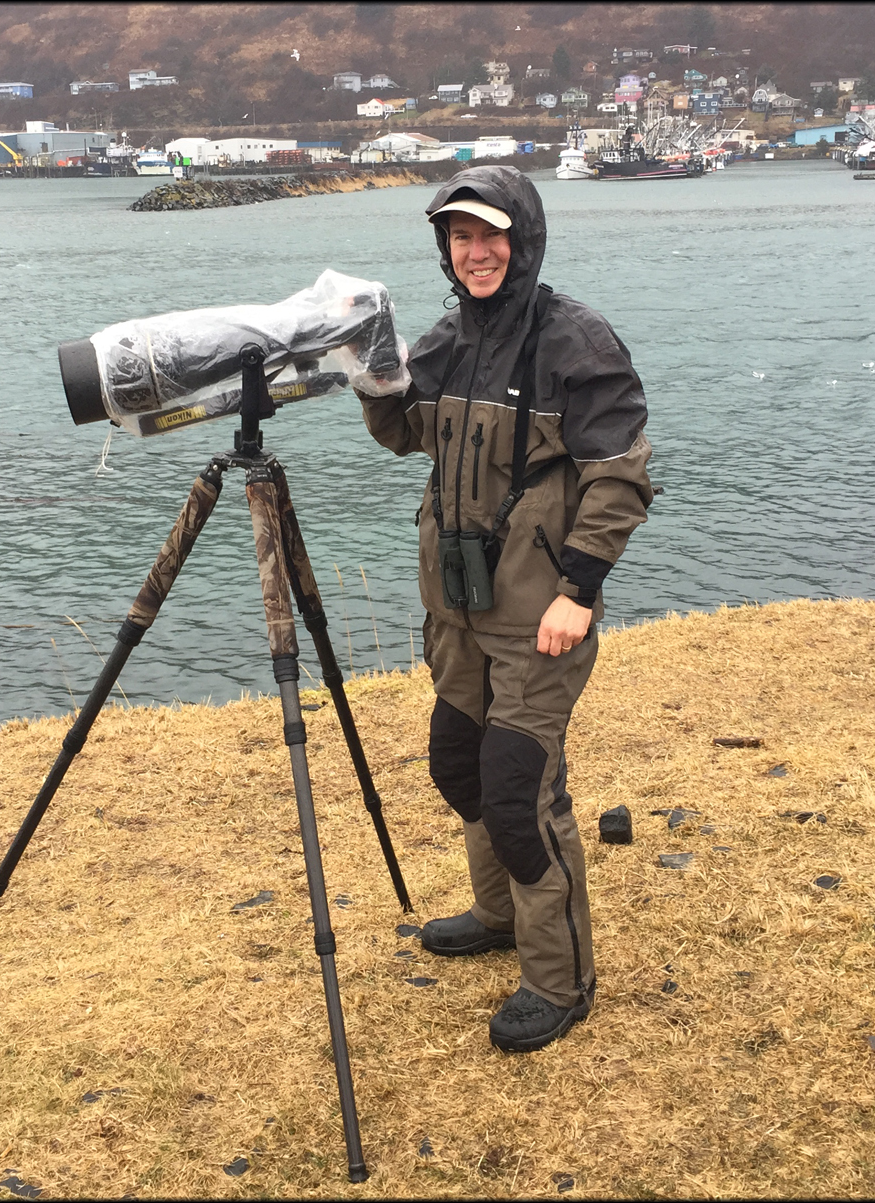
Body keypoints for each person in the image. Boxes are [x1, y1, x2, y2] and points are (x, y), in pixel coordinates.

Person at [359, 165, 654, 1051]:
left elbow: (619, 478)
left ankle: (560, 981)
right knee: (461, 766)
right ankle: (498, 917)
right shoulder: (448, 338)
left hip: (539, 616)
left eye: (491, 234)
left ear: (522, 239)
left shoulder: (576, 342)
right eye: (460, 237)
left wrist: (578, 591)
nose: (476, 252)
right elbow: (405, 433)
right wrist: (373, 377)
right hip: (457, 609)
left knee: (521, 790)